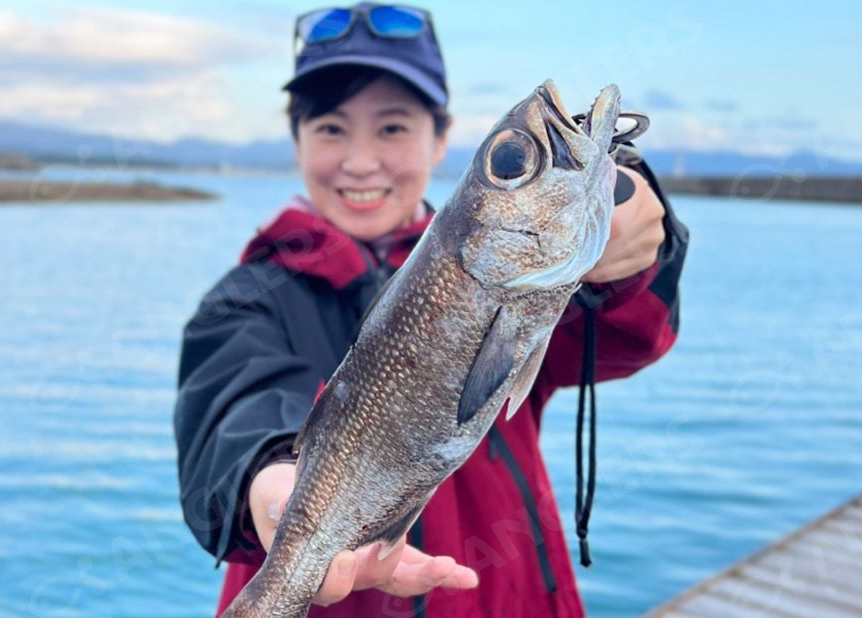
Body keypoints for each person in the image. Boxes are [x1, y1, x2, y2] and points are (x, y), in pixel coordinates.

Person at [174, 3, 688, 616]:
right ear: (297, 142)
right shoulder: (245, 301)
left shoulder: (526, 278)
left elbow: (627, 338)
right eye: (331, 129)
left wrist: (637, 255)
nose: (360, 161)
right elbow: (234, 405)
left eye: (392, 128)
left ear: (440, 139)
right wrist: (269, 482)